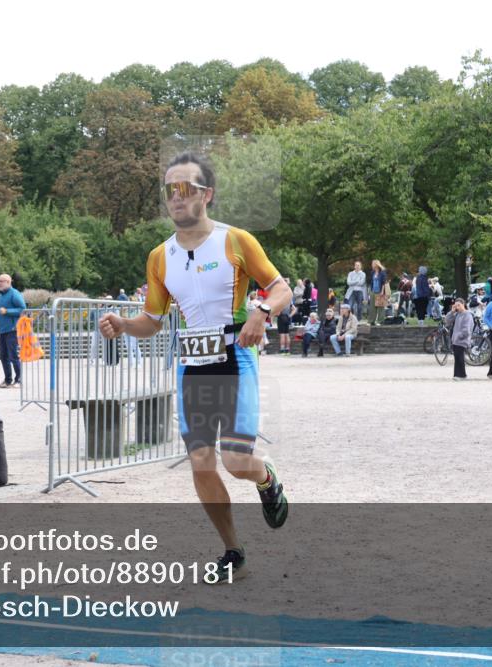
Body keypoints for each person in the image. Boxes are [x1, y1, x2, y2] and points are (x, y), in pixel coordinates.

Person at [97, 151, 289, 583]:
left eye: (185, 189)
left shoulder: (236, 241)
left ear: (207, 195)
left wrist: (261, 310)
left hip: (235, 356)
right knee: (201, 463)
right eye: (169, 190)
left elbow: (280, 288)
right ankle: (232, 551)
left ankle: (265, 476)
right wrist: (123, 324)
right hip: (191, 364)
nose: (176, 198)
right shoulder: (159, 256)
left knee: (236, 460)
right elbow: (152, 320)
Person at [0, 274, 27, 388]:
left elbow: (23, 309)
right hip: (3, 330)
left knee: (13, 355)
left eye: (1, 281)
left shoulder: (14, 293)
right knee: (3, 356)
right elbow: (1, 311)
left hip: (13, 329)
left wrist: (7, 311)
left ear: (8, 282)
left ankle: (19, 380)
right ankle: (7, 380)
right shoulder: (1, 295)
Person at [446, 298, 472, 380]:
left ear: (463, 304)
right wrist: (452, 311)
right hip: (456, 340)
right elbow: (447, 321)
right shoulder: (457, 314)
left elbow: (467, 329)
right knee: (457, 357)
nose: (457, 307)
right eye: (456, 305)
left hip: (462, 339)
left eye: (459, 305)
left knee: (460, 357)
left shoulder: (467, 315)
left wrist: (459, 336)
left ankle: (462, 375)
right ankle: (457, 374)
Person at [368, 260, 388, 325]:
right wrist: (370, 291)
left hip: (380, 291)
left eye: (373, 264)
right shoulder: (372, 272)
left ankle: (380, 321)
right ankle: (371, 321)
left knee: (380, 307)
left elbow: (384, 282)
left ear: (376, 264)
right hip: (373, 291)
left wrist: (382, 291)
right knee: (372, 307)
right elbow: (371, 282)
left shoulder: (382, 272)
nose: (372, 265)